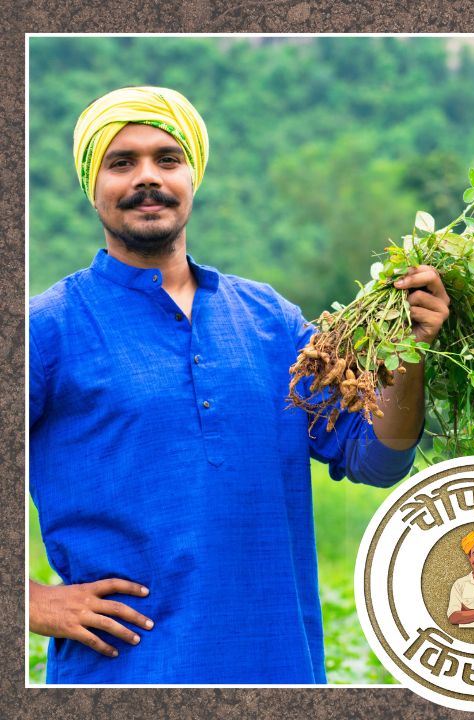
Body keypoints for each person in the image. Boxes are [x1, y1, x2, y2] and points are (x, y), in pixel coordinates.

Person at [28, 87, 451, 684]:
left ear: (192, 177)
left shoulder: (269, 320)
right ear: (91, 187)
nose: (147, 177)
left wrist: (409, 354)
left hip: (277, 668)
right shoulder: (48, 329)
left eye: (167, 159)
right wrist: (31, 600)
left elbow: (378, 458)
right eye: (121, 163)